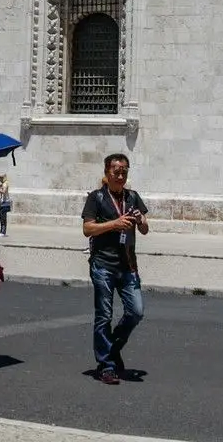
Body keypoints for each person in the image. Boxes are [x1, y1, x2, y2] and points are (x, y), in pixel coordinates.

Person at [81, 152, 149, 385]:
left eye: (124, 171)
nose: (121, 175)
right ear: (107, 173)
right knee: (104, 316)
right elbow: (88, 229)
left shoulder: (133, 197)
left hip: (128, 265)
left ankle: (111, 348)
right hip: (103, 265)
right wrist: (114, 224)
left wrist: (141, 220)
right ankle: (106, 366)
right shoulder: (96, 198)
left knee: (136, 312)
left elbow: (145, 230)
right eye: (116, 171)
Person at [0, 173, 12, 238]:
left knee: (3, 218)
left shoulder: (5, 184)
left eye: (0, 177)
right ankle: (2, 231)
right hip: (1, 202)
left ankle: (3, 232)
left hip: (4, 203)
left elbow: (4, 191)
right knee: (1, 217)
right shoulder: (2, 184)